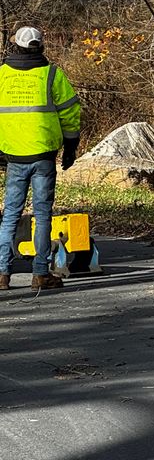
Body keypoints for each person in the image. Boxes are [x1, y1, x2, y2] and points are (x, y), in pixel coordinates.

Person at [0, 27, 82, 291]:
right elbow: (70, 113)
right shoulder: (52, 75)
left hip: (13, 155)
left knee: (11, 214)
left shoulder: (1, 76)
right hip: (44, 156)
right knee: (43, 214)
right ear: (40, 47)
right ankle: (40, 274)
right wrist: (71, 147)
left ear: (16, 46)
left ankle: (2, 273)